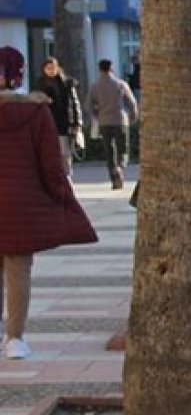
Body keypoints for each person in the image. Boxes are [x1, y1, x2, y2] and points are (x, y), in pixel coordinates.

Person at [0, 47, 98, 360]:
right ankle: (15, 339)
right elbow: (52, 166)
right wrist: (60, 197)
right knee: (18, 270)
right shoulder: (37, 111)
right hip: (20, 205)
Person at [89, 59, 139, 189]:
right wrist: (132, 116)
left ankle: (113, 178)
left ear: (100, 69)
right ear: (112, 69)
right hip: (120, 120)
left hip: (104, 121)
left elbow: (88, 105)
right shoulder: (120, 84)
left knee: (109, 150)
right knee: (123, 148)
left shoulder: (95, 86)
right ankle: (120, 167)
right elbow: (132, 102)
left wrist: (97, 114)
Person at [36, 57, 83, 176]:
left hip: (64, 123)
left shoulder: (66, 83)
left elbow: (75, 103)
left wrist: (77, 123)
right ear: (44, 69)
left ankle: (67, 176)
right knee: (49, 152)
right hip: (46, 123)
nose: (51, 70)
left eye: (53, 68)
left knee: (64, 153)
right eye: (48, 68)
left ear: (58, 68)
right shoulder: (40, 85)